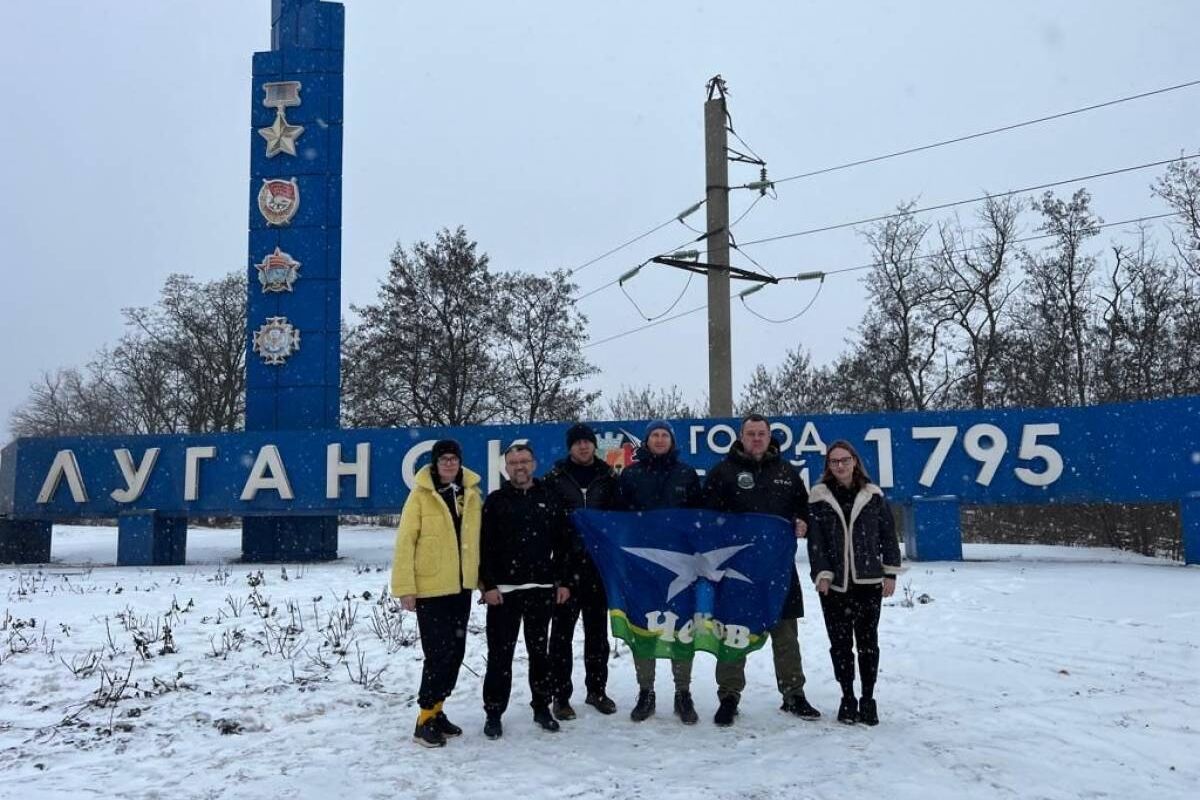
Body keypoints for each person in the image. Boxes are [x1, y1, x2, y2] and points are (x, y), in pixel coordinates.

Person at [702, 413, 820, 727]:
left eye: (761, 433)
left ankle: (793, 693)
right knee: (732, 634)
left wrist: (802, 520)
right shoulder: (722, 472)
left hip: (778, 571)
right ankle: (728, 696)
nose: (756, 438)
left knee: (786, 635)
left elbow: (803, 508)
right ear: (741, 437)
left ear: (770, 437)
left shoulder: (786, 472)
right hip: (736, 573)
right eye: (751, 433)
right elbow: (705, 518)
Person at [390, 440, 483, 748]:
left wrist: (482, 581)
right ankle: (423, 720)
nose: (449, 464)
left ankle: (438, 710)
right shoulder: (419, 497)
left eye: (454, 459)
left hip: (460, 587)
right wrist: (405, 588)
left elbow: (476, 542)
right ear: (434, 463)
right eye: (443, 459)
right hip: (431, 588)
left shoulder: (470, 495)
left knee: (455, 652)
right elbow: (406, 542)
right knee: (437, 653)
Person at [806, 440, 903, 726]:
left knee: (868, 644)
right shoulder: (819, 496)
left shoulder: (872, 495)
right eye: (834, 461)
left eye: (844, 460)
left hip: (868, 582)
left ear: (855, 462)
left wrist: (890, 573)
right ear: (828, 466)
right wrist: (822, 573)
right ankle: (847, 697)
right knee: (840, 645)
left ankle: (868, 699)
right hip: (834, 585)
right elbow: (816, 542)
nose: (840, 466)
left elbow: (888, 534)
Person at [479, 443, 572, 739]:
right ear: (506, 468)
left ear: (534, 464)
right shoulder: (495, 501)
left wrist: (563, 581)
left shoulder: (550, 498)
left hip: (541, 590)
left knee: (539, 654)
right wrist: (488, 585)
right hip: (503, 593)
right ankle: (494, 712)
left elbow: (563, 544)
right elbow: (483, 548)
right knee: (500, 656)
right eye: (514, 462)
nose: (519, 466)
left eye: (524, 461)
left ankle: (542, 707)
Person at [617, 420, 703, 725]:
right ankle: (646, 691)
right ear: (646, 440)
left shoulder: (686, 474)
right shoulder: (631, 474)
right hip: (642, 566)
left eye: (665, 435)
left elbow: (699, 517)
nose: (660, 439)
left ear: (672, 441)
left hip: (681, 566)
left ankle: (683, 692)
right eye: (655, 434)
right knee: (644, 626)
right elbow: (619, 518)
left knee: (682, 628)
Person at [544, 422, 620, 719]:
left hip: (599, 568)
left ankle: (597, 690)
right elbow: (548, 527)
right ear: (570, 447)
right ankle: (560, 696)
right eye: (577, 443)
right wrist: (556, 573)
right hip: (565, 569)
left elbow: (618, 521)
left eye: (587, 442)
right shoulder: (555, 479)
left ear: (594, 445)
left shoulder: (608, 478)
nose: (583, 446)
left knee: (597, 635)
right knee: (561, 636)